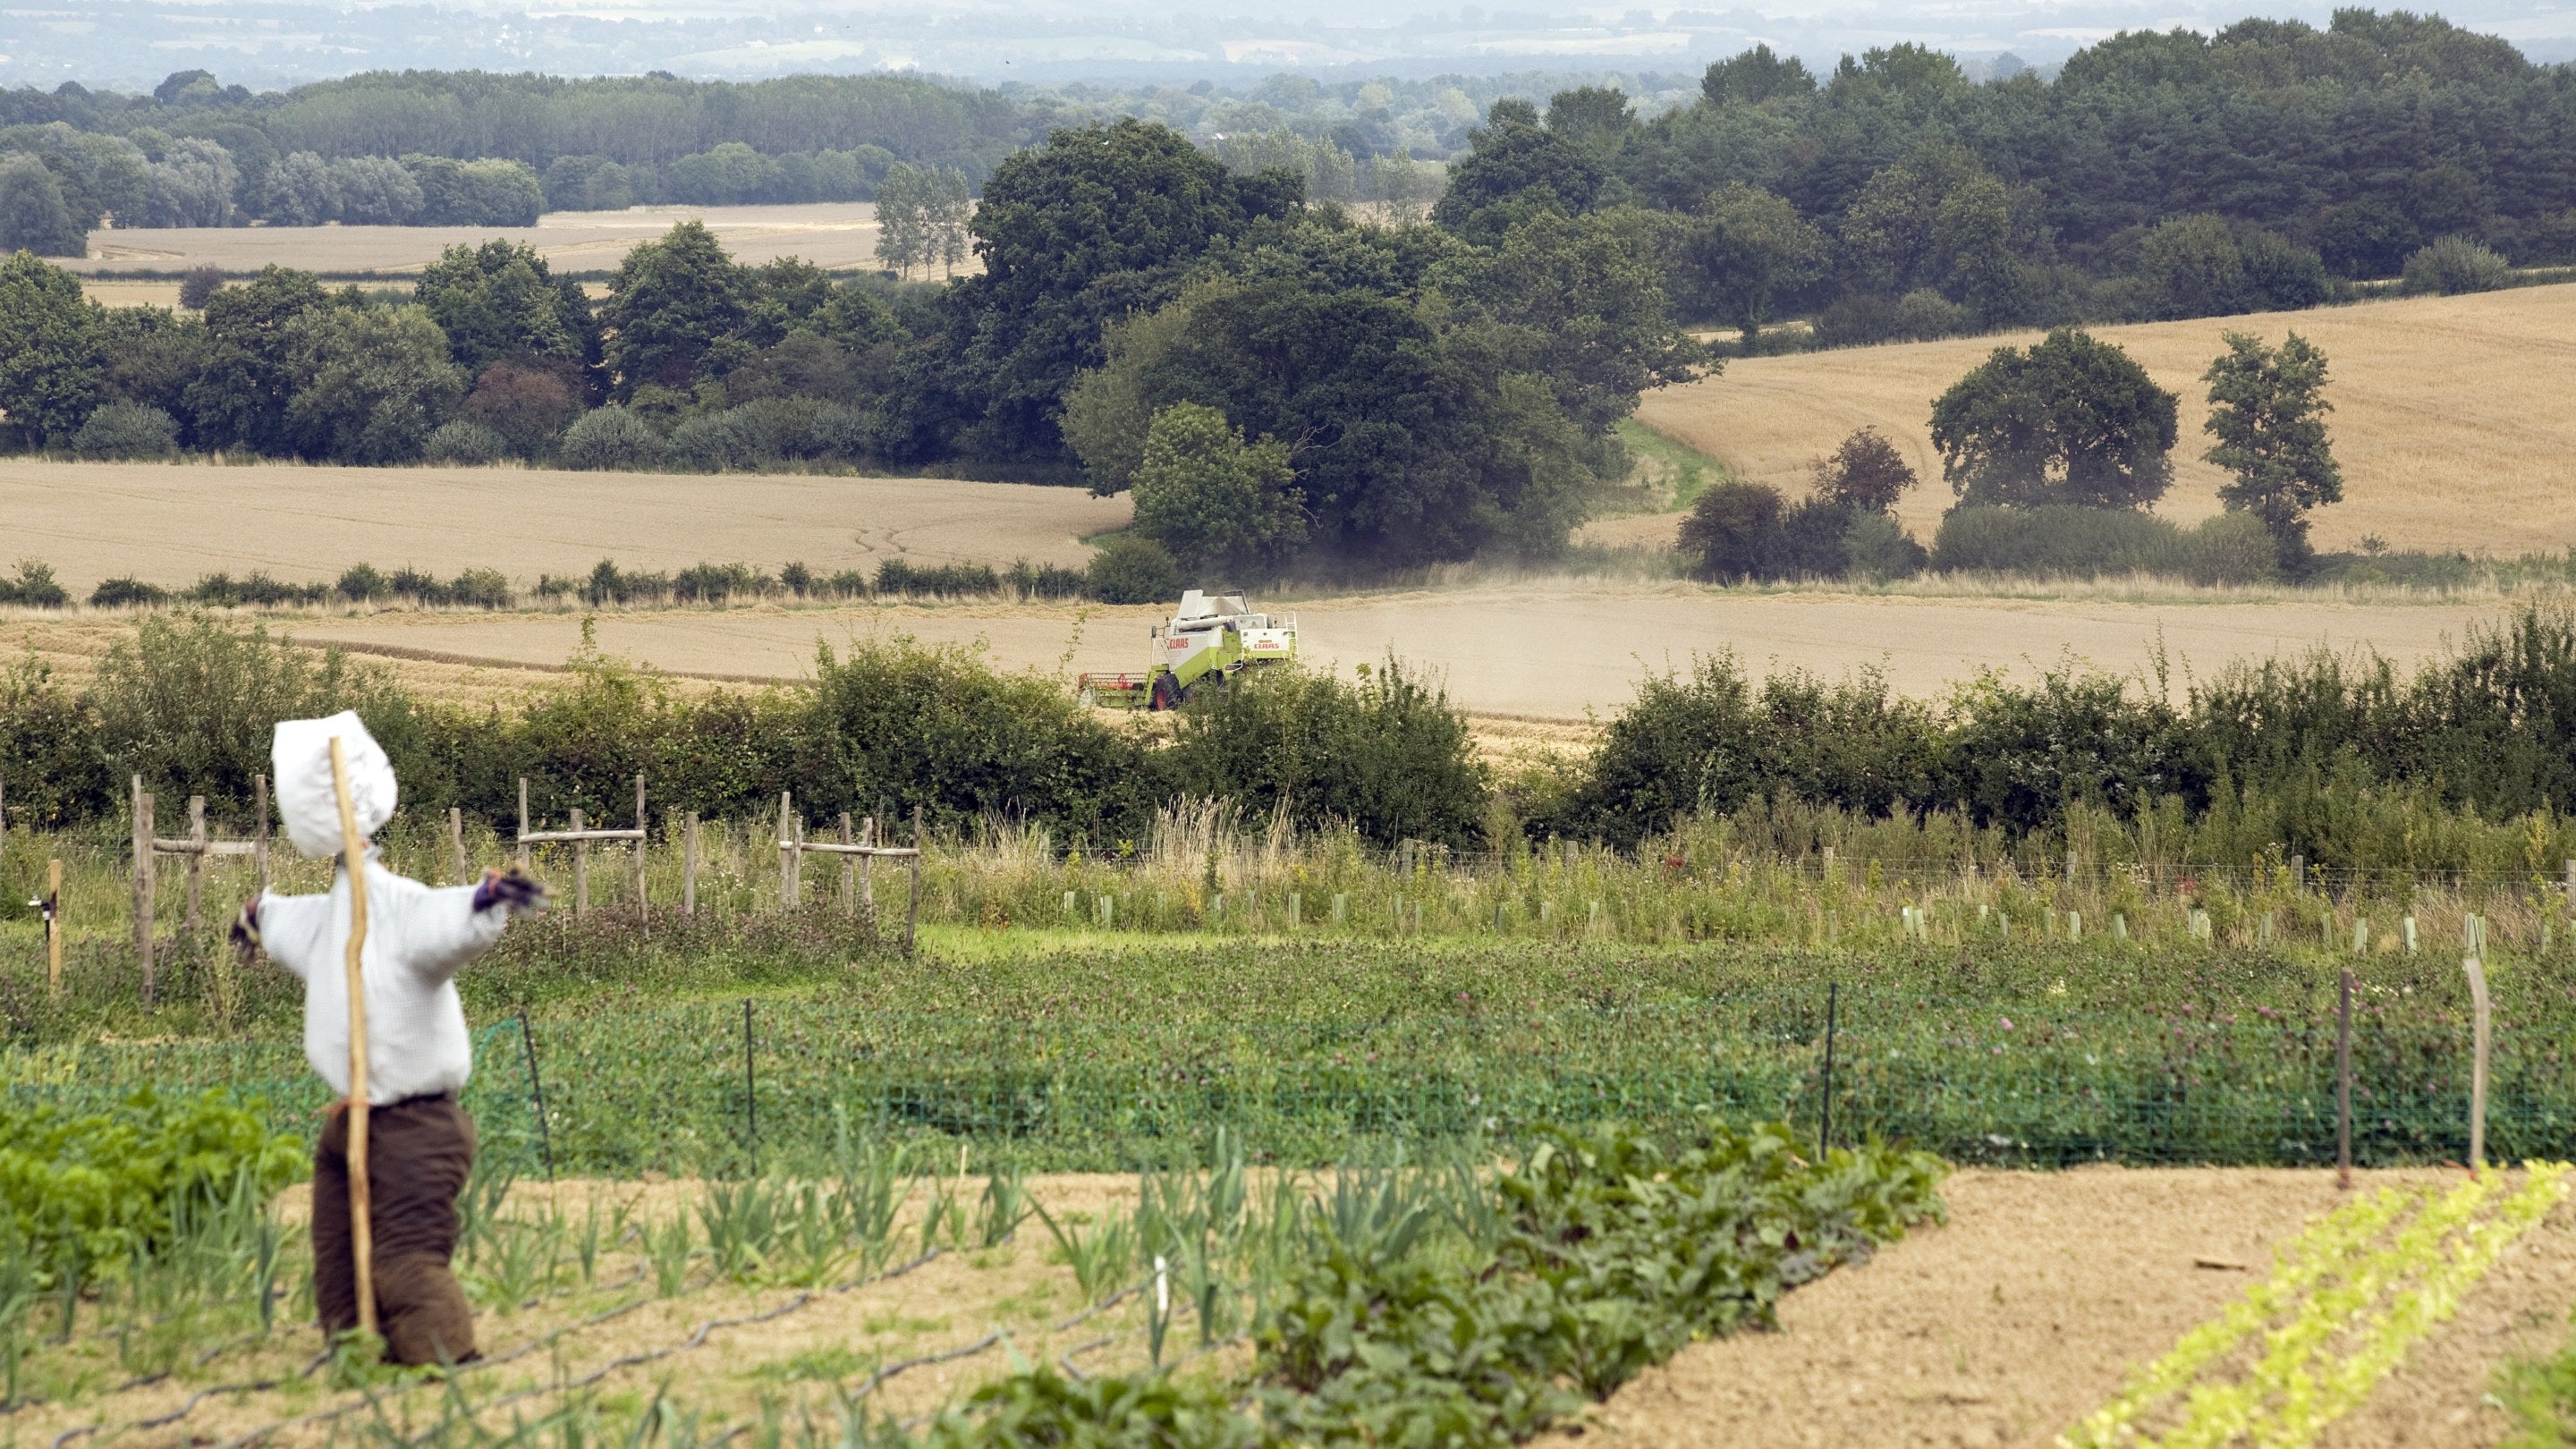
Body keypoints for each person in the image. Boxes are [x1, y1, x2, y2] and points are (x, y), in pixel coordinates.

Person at [230, 711, 547, 1365]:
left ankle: (444, 1365)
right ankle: (355, 1353)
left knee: (404, 1258)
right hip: (352, 1121)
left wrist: (487, 898)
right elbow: (284, 920)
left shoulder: (400, 908)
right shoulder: (327, 918)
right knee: (340, 1254)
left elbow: (447, 920)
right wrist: (255, 919)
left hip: (416, 1125)